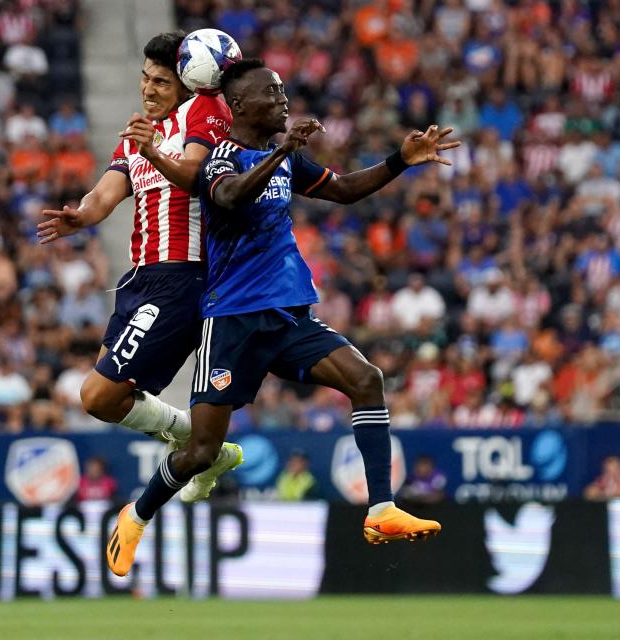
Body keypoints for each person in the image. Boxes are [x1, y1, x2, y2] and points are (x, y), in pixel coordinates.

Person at [106, 59, 459, 576]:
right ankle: (135, 516)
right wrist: (285, 152)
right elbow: (228, 196)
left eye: (284, 92)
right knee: (202, 450)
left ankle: (380, 509)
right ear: (242, 106)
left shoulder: (282, 157)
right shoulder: (216, 158)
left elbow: (342, 189)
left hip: (286, 315)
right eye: (273, 95)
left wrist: (399, 160)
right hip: (232, 322)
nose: (284, 102)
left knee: (366, 379)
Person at [37, 32, 241, 499]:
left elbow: (194, 175)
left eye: (161, 83)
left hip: (183, 276)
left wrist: (152, 150)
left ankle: (196, 440)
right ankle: (203, 443)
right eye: (144, 80)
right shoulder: (137, 134)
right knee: (107, 397)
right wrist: (82, 215)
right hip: (141, 280)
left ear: (188, 85)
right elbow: (105, 193)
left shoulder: (202, 113)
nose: (148, 90)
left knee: (98, 395)